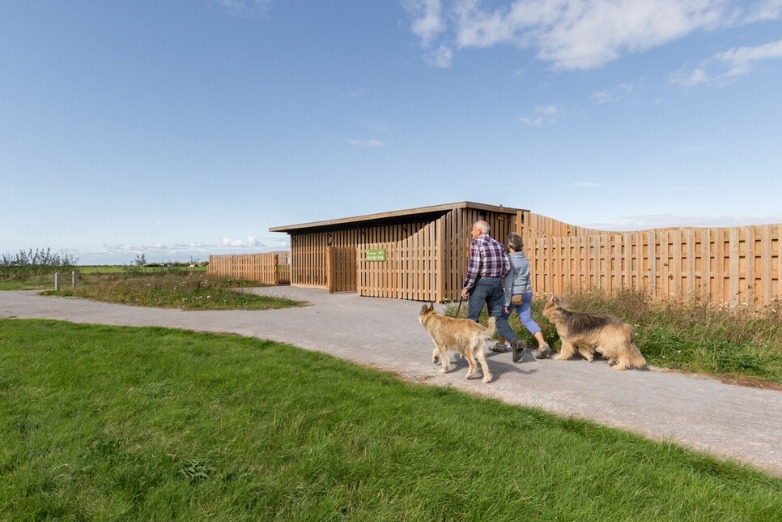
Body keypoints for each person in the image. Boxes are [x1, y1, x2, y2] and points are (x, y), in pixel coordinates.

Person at [459, 220, 526, 363]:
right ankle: (515, 342)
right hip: (496, 284)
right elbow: (507, 266)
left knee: (472, 318)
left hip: (481, 283)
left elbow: (474, 267)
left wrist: (467, 286)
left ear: (479, 231)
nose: (471, 233)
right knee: (497, 318)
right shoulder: (499, 244)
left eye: (473, 230)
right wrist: (497, 277)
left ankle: (470, 351)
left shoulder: (476, 244)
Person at [490, 231, 552, 361]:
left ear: (509, 246)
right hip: (526, 292)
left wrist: (506, 302)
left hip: (513, 295)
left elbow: (508, 282)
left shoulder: (509, 260)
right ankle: (542, 344)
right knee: (527, 320)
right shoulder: (524, 258)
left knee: (501, 319)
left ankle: (502, 344)